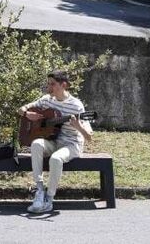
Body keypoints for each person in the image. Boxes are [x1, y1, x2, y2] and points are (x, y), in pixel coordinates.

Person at [18, 70, 93, 214]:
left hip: (72, 144)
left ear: (63, 85)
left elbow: (89, 137)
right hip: (53, 141)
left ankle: (49, 199)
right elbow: (21, 110)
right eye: (48, 84)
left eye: (52, 84)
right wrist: (27, 113)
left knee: (56, 159)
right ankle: (39, 190)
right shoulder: (47, 100)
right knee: (36, 144)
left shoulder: (76, 106)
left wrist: (79, 127)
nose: (49, 87)